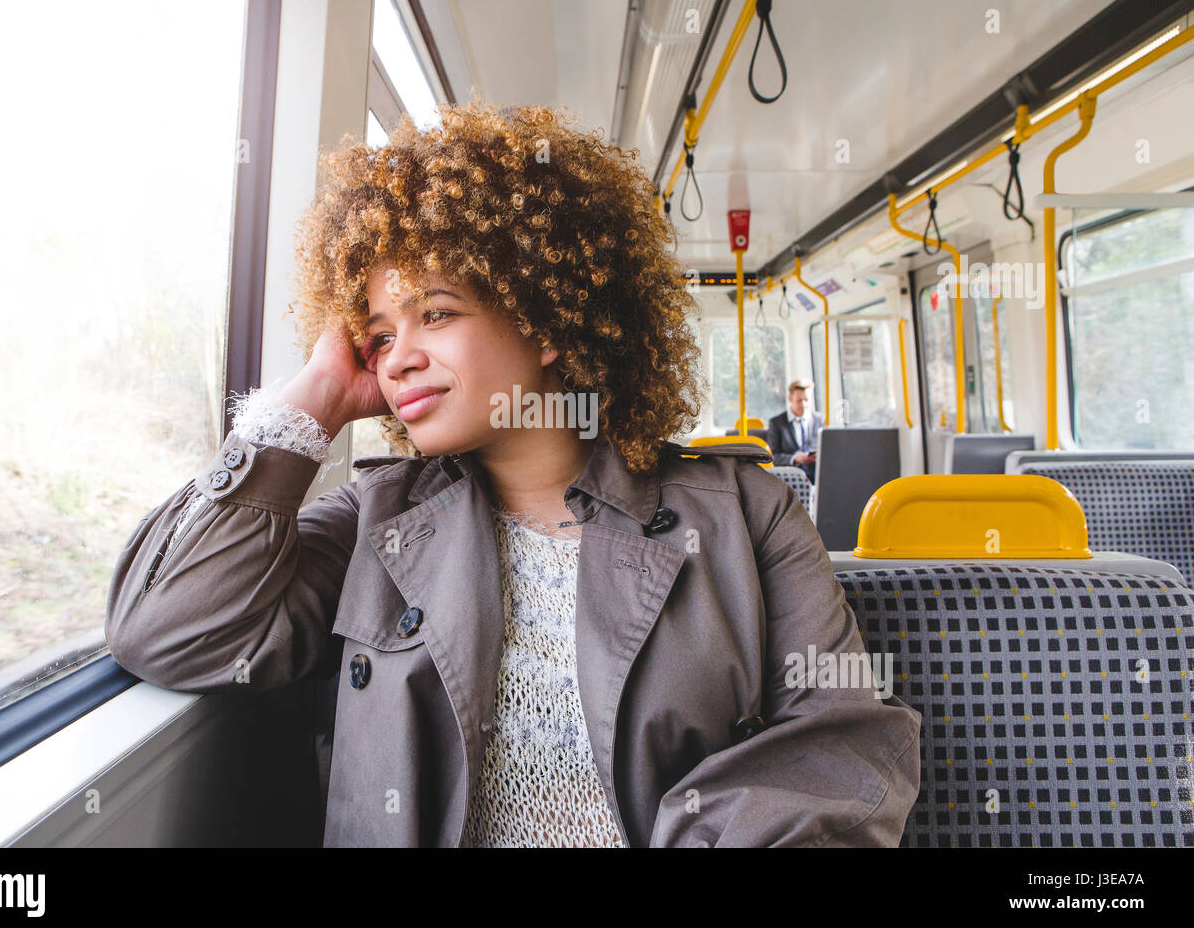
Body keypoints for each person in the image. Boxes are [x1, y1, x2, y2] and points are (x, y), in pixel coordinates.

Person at [104, 101, 920, 847]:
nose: (400, 358)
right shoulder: (377, 521)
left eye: (436, 313)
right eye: (379, 337)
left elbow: (842, 746)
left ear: (549, 320)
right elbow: (170, 629)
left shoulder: (747, 513)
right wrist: (312, 400)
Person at [767, 380, 823, 484]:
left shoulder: (819, 420)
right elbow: (771, 457)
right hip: (789, 479)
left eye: (806, 400)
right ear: (790, 399)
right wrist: (794, 458)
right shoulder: (776, 423)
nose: (803, 404)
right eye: (799, 400)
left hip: (817, 477)